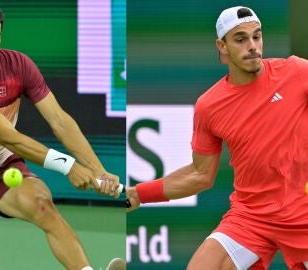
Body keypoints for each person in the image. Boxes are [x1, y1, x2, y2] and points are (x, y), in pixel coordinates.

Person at [127, 6, 308, 270]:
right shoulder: (209, 106)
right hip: (251, 216)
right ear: (221, 46)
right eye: (240, 39)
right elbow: (201, 174)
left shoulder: (297, 72)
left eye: (256, 37)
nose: (252, 46)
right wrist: (140, 193)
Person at [0, 1, 125, 270]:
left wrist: (98, 170)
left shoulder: (18, 65)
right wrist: (69, 166)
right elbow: (9, 137)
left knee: (43, 205)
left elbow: (60, 121)